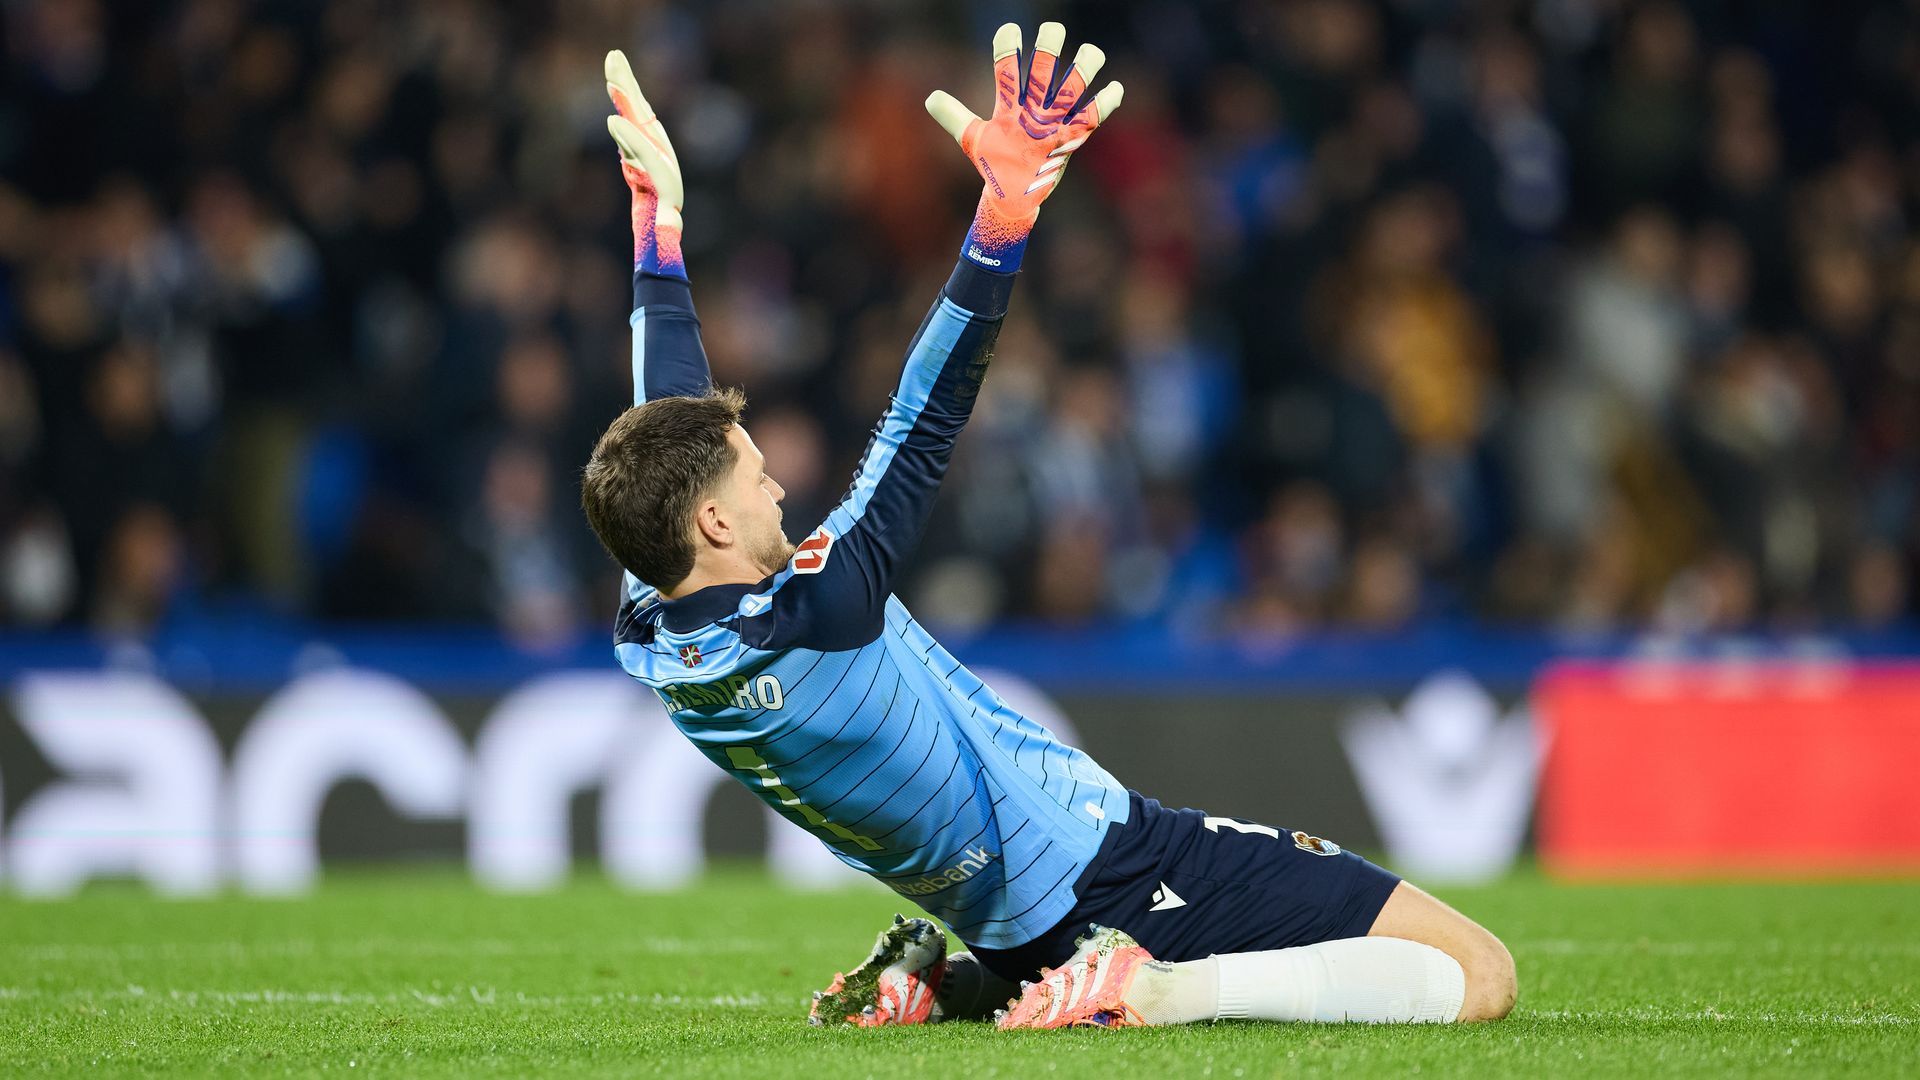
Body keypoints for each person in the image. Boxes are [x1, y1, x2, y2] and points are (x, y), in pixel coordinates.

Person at [580, 24, 1516, 1030]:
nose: (777, 489)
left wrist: (659, 234)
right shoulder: (822, 609)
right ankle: (1155, 985)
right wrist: (1002, 220)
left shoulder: (657, 624)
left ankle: (949, 984)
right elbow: (921, 417)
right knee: (1477, 973)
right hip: (1113, 873)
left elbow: (665, 431)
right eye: (759, 479)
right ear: (715, 521)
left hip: (1006, 921)